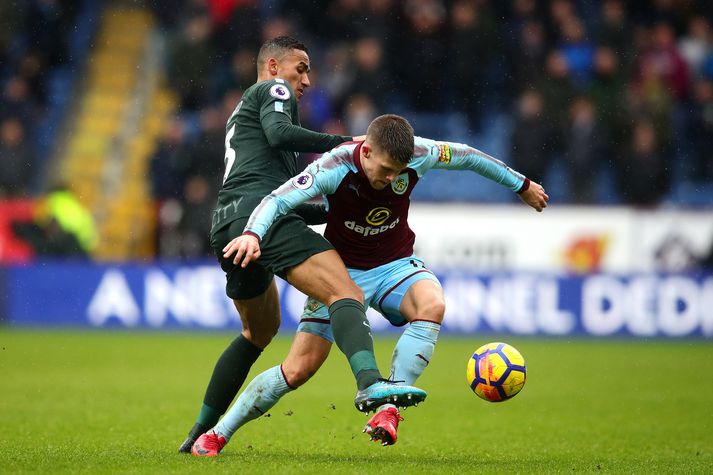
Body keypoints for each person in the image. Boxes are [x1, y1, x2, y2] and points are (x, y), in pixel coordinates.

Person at [191, 114, 548, 456]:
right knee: (297, 369)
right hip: (341, 277)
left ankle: (388, 409)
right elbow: (278, 199)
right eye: (385, 170)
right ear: (366, 151)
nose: (392, 179)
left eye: (399, 172)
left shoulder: (420, 154)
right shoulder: (334, 166)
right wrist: (253, 233)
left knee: (432, 304)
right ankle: (217, 434)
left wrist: (523, 185)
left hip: (395, 266)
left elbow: (468, 156)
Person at [178, 37, 426, 453]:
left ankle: (198, 433)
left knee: (257, 332)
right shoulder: (271, 90)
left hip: (230, 222)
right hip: (259, 217)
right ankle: (370, 385)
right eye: (301, 68)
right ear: (273, 65)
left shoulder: (241, 111)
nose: (306, 80)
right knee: (345, 291)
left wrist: (336, 209)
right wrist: (349, 146)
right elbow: (279, 135)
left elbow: (273, 184)